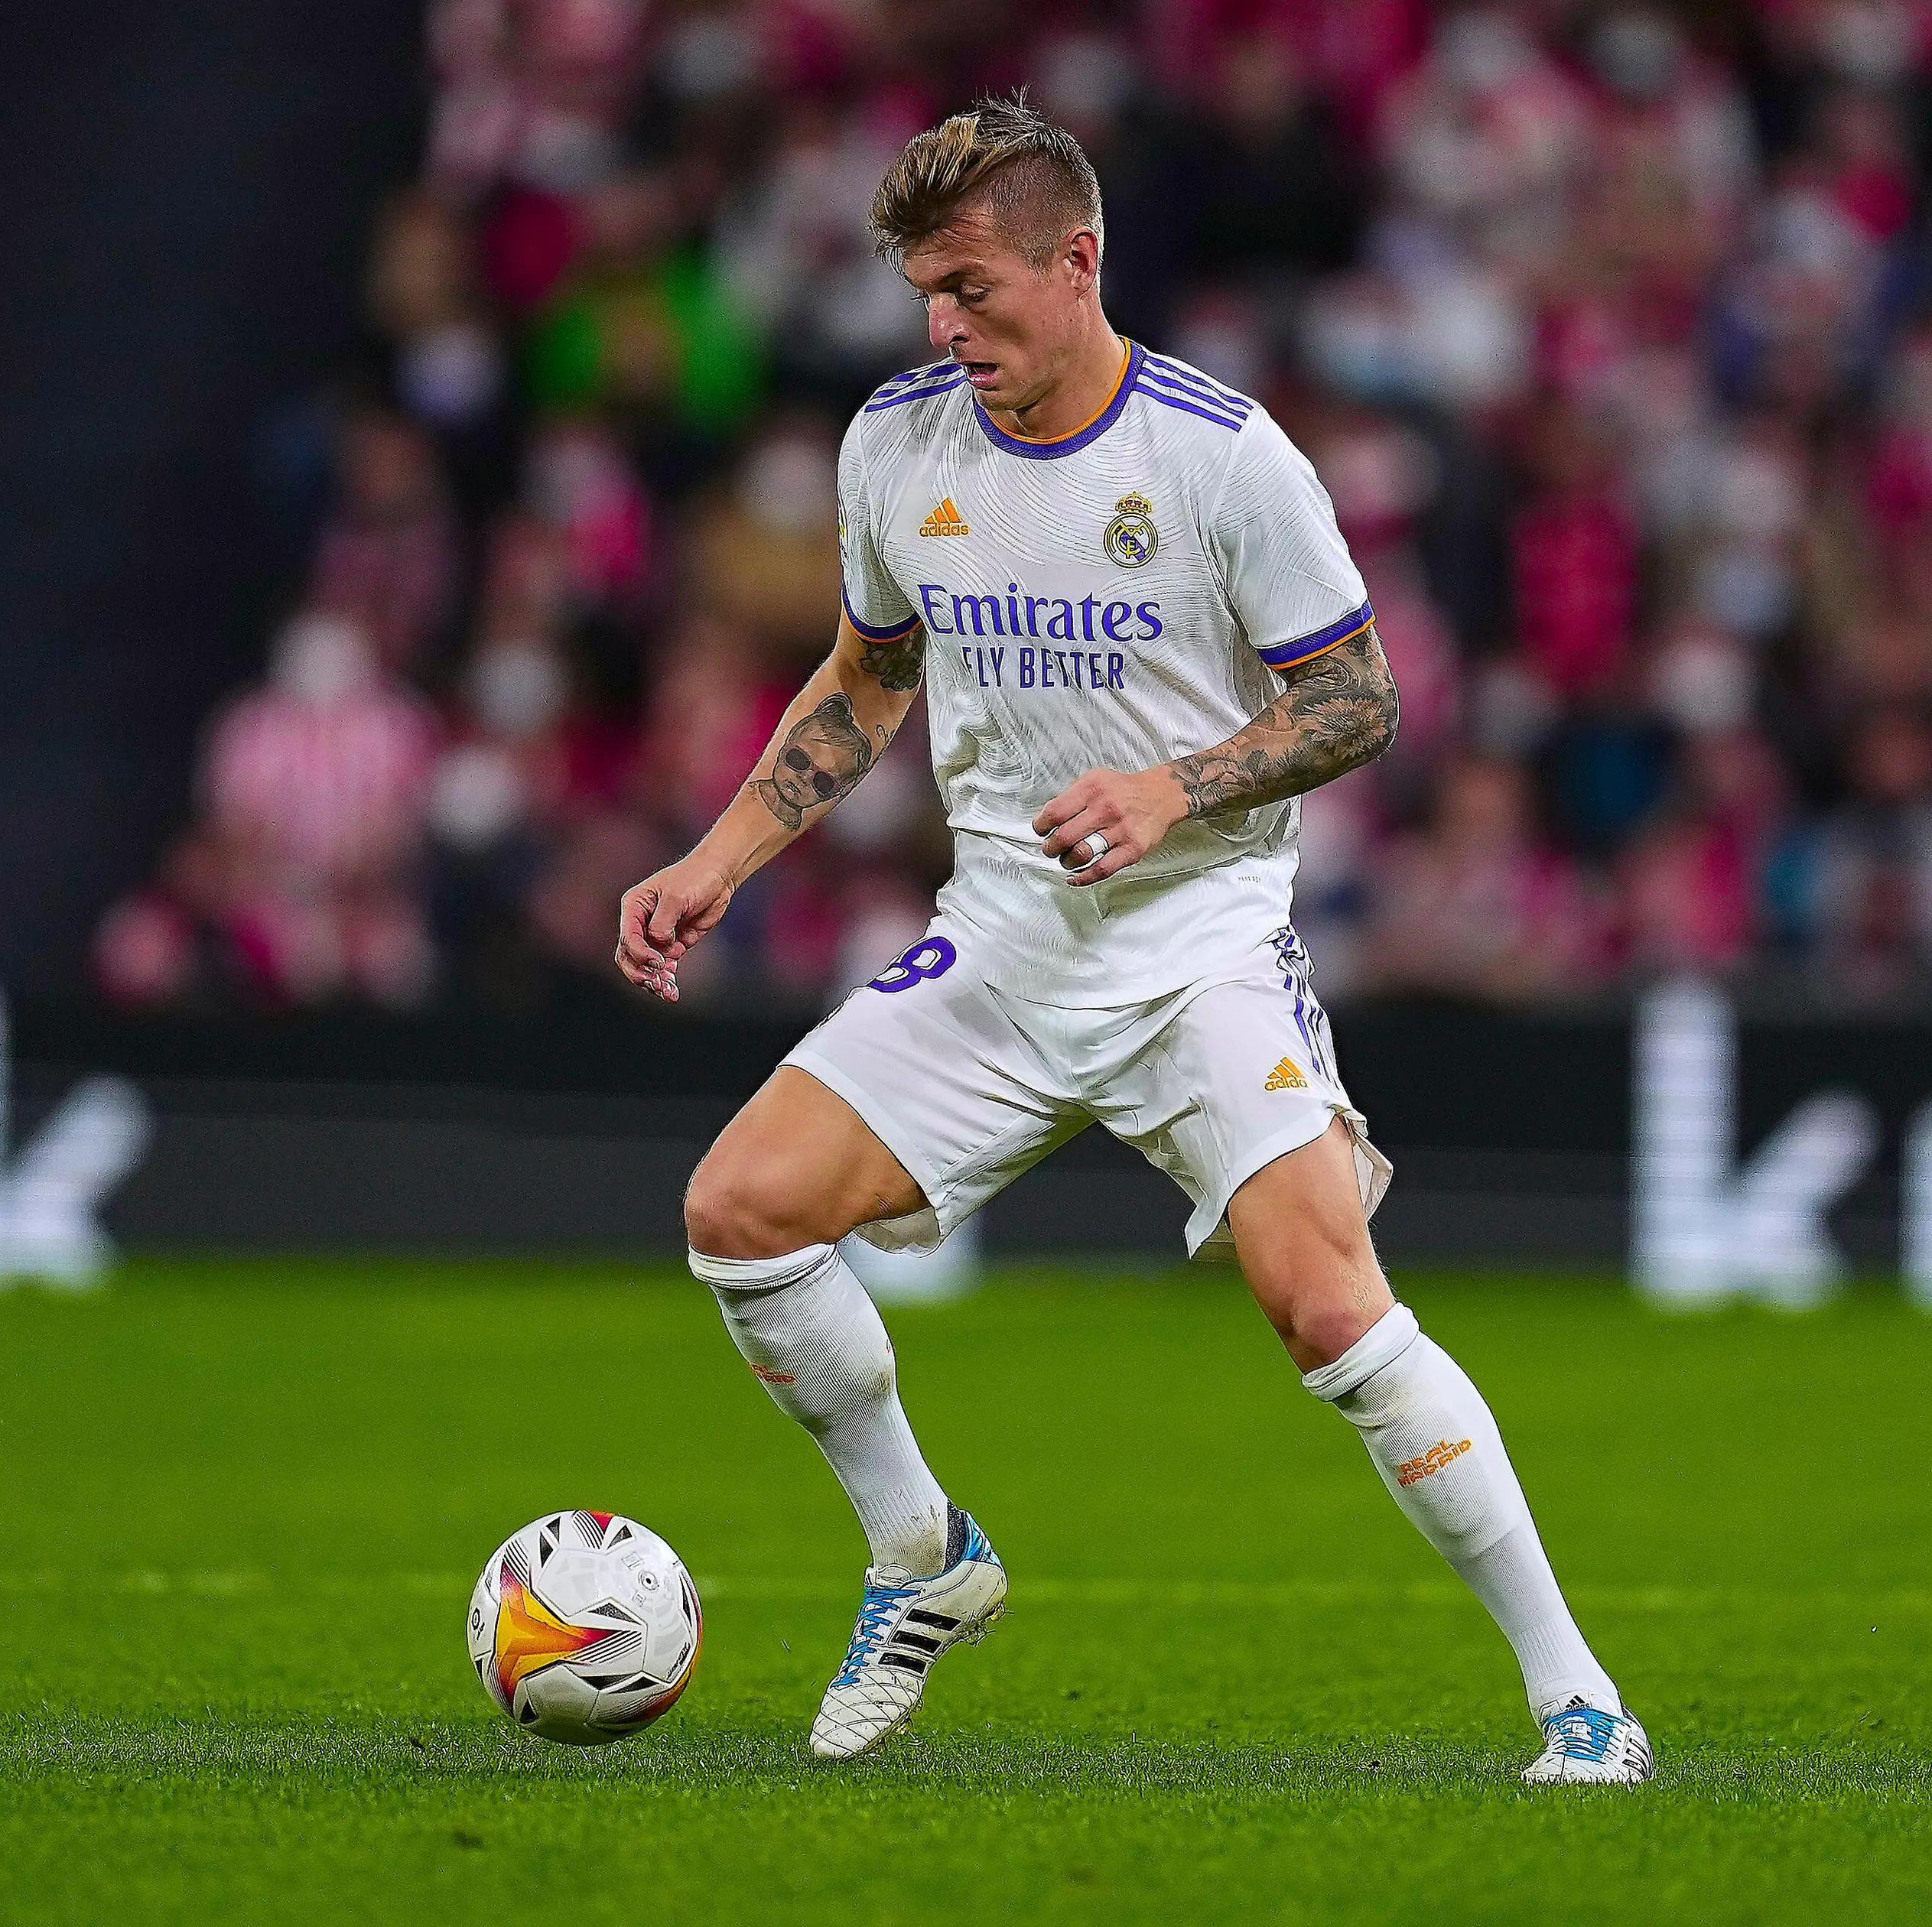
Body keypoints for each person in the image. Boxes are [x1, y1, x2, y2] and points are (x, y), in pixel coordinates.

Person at [614, 96, 1648, 1784]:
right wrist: (719, 857)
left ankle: (1580, 1696)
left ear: (1074, 260)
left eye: (970, 289)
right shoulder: (896, 443)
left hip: (1199, 946)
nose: (944, 330)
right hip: (1007, 946)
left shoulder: (1222, 455)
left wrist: (1180, 785)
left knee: (1326, 1305)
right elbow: (870, 672)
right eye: (922, 296)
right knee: (739, 1214)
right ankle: (925, 1550)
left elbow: (1362, 696)